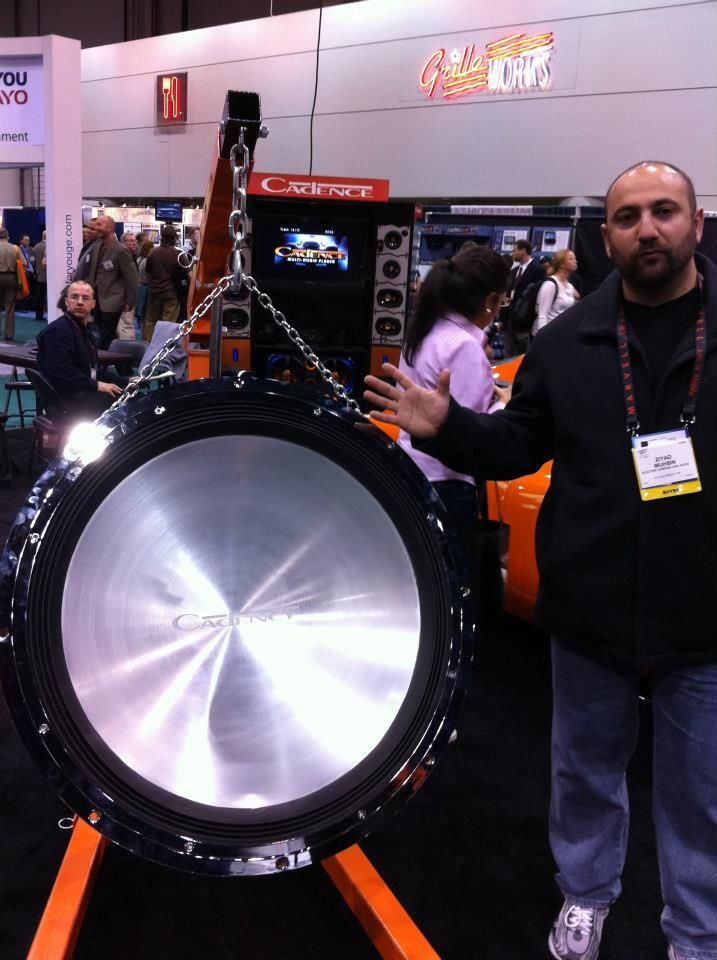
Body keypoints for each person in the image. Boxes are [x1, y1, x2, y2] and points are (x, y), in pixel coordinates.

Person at [365, 161, 717, 960]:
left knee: (701, 791)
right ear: (605, 238)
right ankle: (585, 899)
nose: (646, 229)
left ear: (695, 225)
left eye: (664, 212)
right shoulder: (567, 343)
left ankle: (697, 934)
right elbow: (517, 443)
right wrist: (445, 425)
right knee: (584, 772)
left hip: (703, 604)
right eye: (627, 217)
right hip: (589, 601)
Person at [397, 242, 509, 535]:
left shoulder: (423, 331)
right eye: (502, 302)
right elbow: (468, 430)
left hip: (410, 471)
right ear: (491, 300)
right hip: (446, 483)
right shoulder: (465, 347)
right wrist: (503, 404)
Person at [36, 280, 125, 419]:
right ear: (66, 302)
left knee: (128, 391)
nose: (79, 302)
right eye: (74, 297)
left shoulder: (82, 330)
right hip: (65, 402)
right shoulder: (58, 331)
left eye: (85, 298)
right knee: (128, 401)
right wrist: (96, 385)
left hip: (79, 394)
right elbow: (61, 373)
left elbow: (92, 371)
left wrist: (126, 381)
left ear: (93, 304)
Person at [74, 214, 139, 349]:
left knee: (104, 337)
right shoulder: (97, 245)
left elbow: (132, 278)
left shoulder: (121, 250)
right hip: (96, 298)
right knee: (107, 336)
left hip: (113, 300)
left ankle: (100, 367)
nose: (96, 228)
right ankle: (123, 368)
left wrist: (130, 301)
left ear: (109, 228)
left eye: (99, 225)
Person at [502, 239, 544, 357]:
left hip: (525, 320)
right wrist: (503, 319)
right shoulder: (514, 271)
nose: (512, 253)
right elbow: (507, 294)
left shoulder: (537, 270)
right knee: (508, 353)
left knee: (522, 355)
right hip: (510, 319)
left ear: (523, 251)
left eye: (515, 250)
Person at [143, 225, 183, 341]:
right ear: (174, 238)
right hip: (171, 294)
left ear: (161, 238)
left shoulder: (153, 253)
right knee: (168, 324)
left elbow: (148, 273)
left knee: (150, 321)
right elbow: (188, 274)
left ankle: (147, 346)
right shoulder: (178, 254)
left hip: (155, 293)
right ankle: (163, 347)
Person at [533, 249, 580, 337]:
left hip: (561, 334)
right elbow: (542, 315)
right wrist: (543, 337)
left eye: (575, 258)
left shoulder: (569, 286)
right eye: (571, 259)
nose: (575, 261)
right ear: (561, 264)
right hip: (548, 335)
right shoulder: (550, 285)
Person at [0, 227, 19, 341]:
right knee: (10, 307)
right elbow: (25, 263)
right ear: (7, 236)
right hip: (11, 277)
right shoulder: (15, 248)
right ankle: (9, 334)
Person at [33, 230, 48, 322]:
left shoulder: (35, 246)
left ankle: (38, 315)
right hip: (46, 276)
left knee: (39, 296)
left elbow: (33, 261)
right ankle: (41, 314)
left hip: (38, 275)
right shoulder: (48, 246)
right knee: (43, 297)